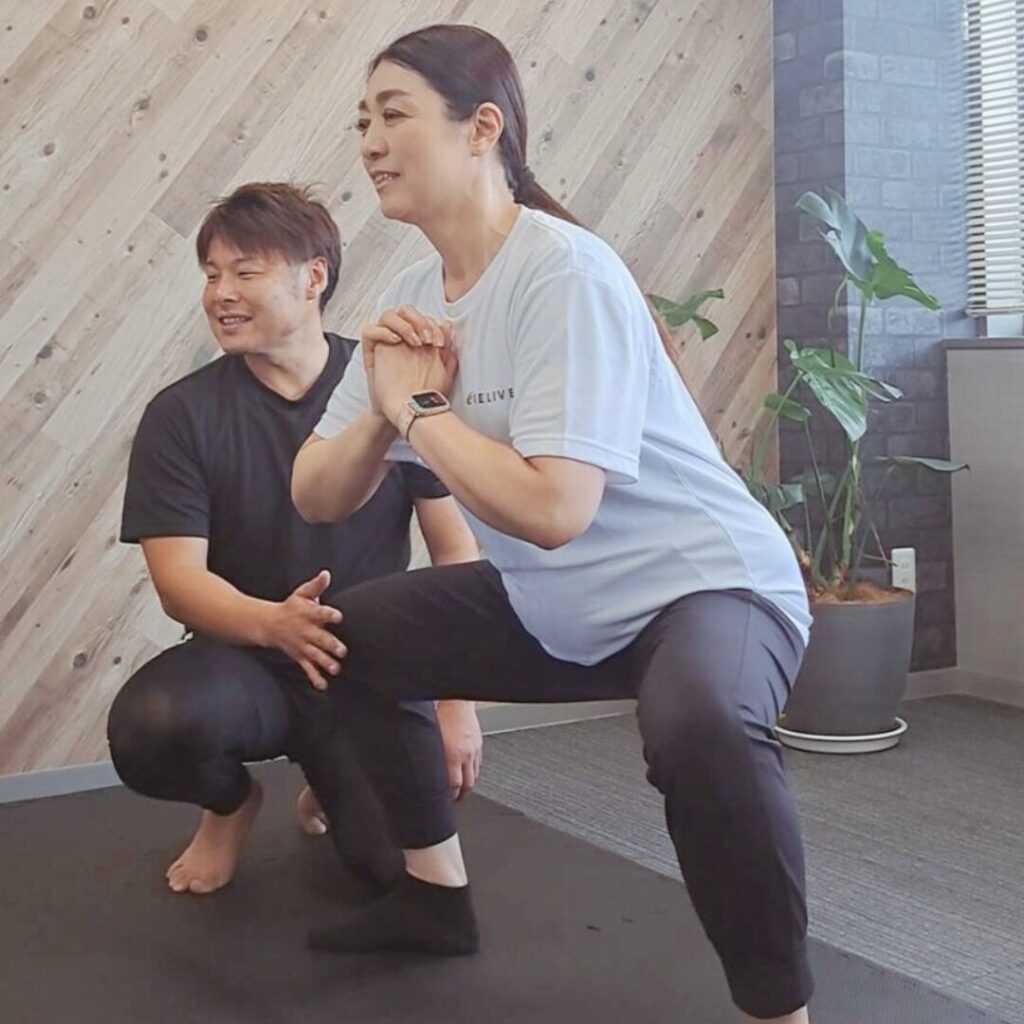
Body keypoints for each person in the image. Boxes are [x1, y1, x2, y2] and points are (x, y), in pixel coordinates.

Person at [291, 24, 815, 1024]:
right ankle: (432, 897)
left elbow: (554, 510)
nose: (370, 142)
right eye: (361, 122)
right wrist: (382, 409)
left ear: (481, 127)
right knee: (343, 637)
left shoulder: (562, 272)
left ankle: (779, 1011)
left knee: (700, 727)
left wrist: (419, 410)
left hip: (703, 586)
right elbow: (315, 493)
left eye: (393, 114)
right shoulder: (408, 300)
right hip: (560, 606)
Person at [106, 181, 482, 897]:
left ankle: (330, 779)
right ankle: (230, 805)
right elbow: (179, 581)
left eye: (245, 271)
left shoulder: (390, 385)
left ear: (313, 278)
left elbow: (455, 549)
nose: (221, 293)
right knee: (151, 727)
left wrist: (454, 703)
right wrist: (274, 624)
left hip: (371, 667)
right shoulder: (181, 416)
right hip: (246, 664)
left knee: (393, 875)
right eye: (212, 274)